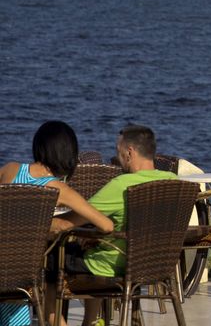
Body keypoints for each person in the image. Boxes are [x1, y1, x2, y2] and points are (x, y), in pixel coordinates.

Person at [46, 125, 178, 326]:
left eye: (118, 151)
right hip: (156, 264)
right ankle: (90, 322)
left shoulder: (121, 185)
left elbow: (69, 221)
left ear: (129, 152)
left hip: (113, 265)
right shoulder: (173, 182)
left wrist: (37, 225)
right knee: (92, 247)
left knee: (47, 262)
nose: (117, 157)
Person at [0, 121, 112, 326]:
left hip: (4, 265)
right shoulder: (57, 188)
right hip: (22, 275)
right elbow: (106, 225)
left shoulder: (10, 169)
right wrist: (58, 222)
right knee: (51, 280)